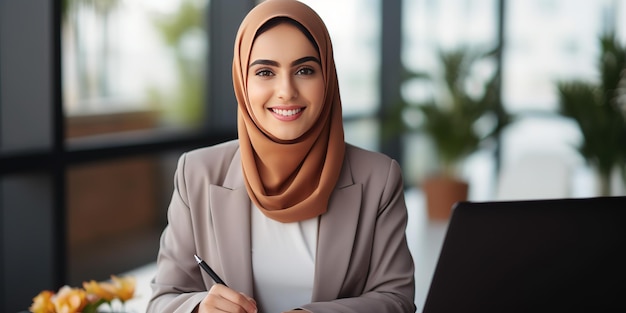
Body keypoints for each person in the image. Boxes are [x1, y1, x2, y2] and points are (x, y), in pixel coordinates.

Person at [146, 0, 416, 312]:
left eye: (305, 70)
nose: (286, 90)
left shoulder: (378, 177)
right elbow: (162, 299)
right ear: (242, 81)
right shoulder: (197, 172)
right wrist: (198, 308)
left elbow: (397, 300)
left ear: (327, 76)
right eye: (265, 71)